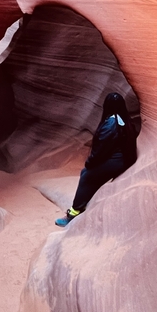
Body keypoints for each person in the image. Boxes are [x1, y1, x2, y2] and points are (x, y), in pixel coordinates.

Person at [55, 92, 138, 226]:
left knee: (86, 175)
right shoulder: (124, 119)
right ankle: (84, 204)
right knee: (90, 174)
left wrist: (90, 162)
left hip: (118, 161)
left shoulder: (111, 123)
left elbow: (102, 148)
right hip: (124, 159)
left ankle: (74, 213)